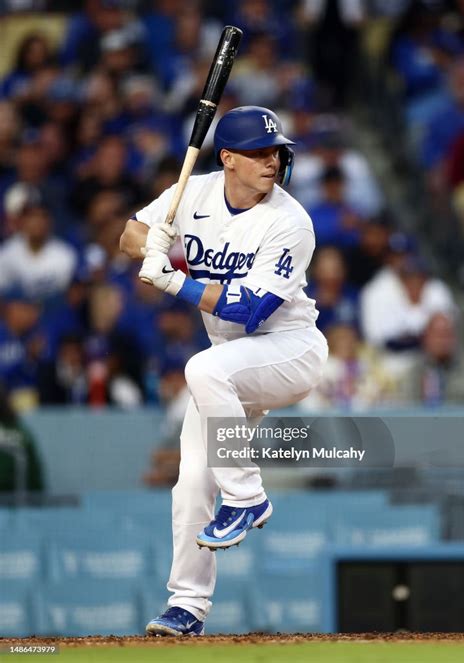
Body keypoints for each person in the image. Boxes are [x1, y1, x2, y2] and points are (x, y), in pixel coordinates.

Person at [119, 106, 328, 636]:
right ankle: (186, 606)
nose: (272, 161)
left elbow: (248, 310)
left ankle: (246, 495)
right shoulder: (194, 191)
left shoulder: (290, 220)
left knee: (202, 368)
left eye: (276, 151)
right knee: (189, 484)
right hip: (230, 369)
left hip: (287, 350)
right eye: (259, 153)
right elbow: (129, 235)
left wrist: (173, 280)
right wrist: (156, 247)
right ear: (228, 159)